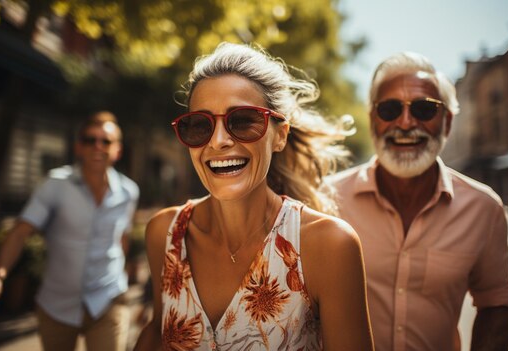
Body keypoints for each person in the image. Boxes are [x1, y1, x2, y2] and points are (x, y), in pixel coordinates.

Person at [134, 42, 374, 350]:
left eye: (243, 120)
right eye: (199, 125)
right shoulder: (164, 234)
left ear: (280, 135)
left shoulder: (329, 246)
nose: (218, 141)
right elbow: (157, 331)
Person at [328, 52, 508, 351]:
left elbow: (499, 303)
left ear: (447, 123)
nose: (405, 123)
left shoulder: (484, 209)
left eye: (424, 109)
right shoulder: (326, 198)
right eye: (390, 109)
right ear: (372, 121)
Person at [0, 112, 140, 351]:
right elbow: (20, 233)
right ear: (78, 147)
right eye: (90, 140)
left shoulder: (129, 192)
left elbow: (122, 238)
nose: (98, 146)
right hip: (57, 306)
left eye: (106, 141)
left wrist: (126, 276)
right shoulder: (55, 185)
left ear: (117, 150)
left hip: (108, 299)